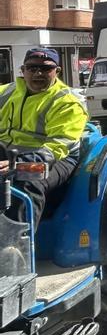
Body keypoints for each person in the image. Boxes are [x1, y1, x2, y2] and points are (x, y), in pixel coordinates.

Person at [0, 48, 89, 229]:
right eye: (32, 68)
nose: (38, 73)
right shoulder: (5, 93)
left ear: (57, 71)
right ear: (22, 70)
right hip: (7, 152)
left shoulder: (67, 102)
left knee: (26, 178)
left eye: (46, 69)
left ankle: (16, 248)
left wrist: (17, 164)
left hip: (54, 158)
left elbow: (58, 146)